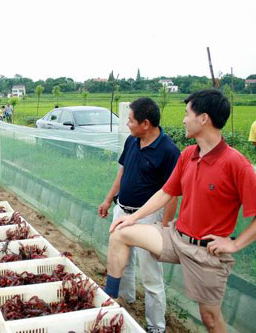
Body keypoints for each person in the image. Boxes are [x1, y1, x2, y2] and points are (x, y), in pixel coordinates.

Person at [104, 89, 256, 333]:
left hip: (205, 251)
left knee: (210, 319)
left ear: (203, 119)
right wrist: (133, 219)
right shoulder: (188, 155)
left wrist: (234, 245)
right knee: (119, 233)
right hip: (175, 237)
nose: (183, 119)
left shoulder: (235, 163)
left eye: (187, 114)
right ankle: (107, 301)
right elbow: (165, 193)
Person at [98, 97, 179, 333]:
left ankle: (156, 327)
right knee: (124, 264)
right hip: (123, 211)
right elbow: (122, 173)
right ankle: (126, 301)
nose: (127, 124)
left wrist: (163, 226)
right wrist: (108, 199)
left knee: (152, 277)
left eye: (130, 120)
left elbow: (173, 194)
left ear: (145, 123)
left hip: (148, 219)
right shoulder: (132, 141)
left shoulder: (169, 151)